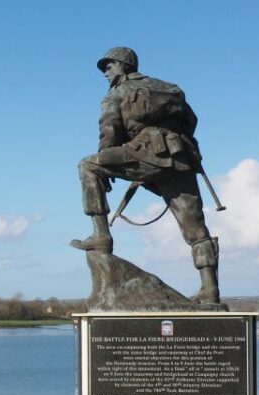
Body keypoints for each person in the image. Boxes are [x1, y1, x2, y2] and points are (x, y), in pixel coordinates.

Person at [71, 47, 220, 304]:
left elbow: (108, 136)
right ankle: (210, 290)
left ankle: (101, 236)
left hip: (144, 151)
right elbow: (191, 121)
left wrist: (109, 166)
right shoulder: (170, 88)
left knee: (88, 165)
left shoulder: (115, 95)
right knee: (195, 227)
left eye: (109, 67)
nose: (105, 73)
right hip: (179, 156)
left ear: (123, 65)